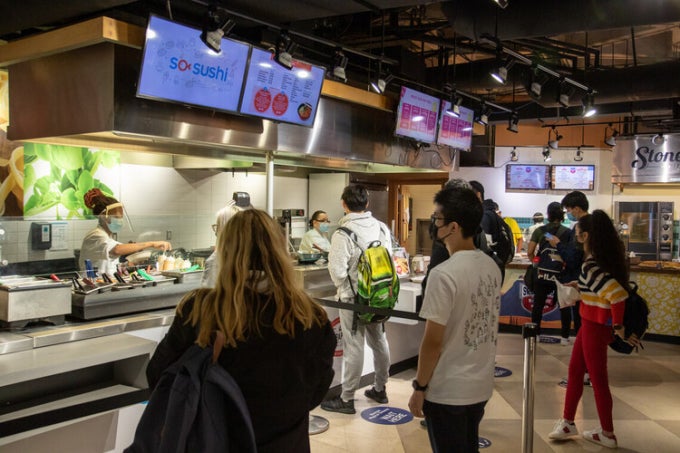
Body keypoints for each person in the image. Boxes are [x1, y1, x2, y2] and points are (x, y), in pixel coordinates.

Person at [146, 209, 336, 453]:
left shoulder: (200, 310)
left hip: (213, 441)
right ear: (279, 251)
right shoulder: (309, 316)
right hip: (287, 443)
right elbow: (316, 391)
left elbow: (158, 376)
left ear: (226, 251)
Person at [408, 185, 501, 452]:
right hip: (480, 386)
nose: (434, 224)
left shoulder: (443, 274)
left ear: (453, 227)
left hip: (448, 390)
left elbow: (433, 341)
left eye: (438, 219)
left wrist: (419, 386)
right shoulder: (491, 267)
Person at [549, 210, 640, 449]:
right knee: (575, 371)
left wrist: (618, 326)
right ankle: (568, 421)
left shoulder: (591, 265)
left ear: (586, 236)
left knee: (598, 380)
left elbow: (617, 296)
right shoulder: (602, 261)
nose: (575, 236)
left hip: (594, 326)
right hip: (593, 326)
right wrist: (580, 286)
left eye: (578, 233)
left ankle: (607, 432)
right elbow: (606, 289)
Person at [321, 184, 392, 414]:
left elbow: (338, 272)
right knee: (379, 342)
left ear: (344, 204)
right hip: (379, 297)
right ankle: (380, 388)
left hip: (352, 298)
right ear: (367, 204)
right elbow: (389, 258)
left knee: (354, 346)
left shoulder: (343, 234)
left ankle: (347, 398)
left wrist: (344, 286)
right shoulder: (381, 228)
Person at [80, 188, 171, 274]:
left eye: (121, 218)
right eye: (116, 218)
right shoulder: (95, 235)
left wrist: (128, 264)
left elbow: (109, 264)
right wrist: (152, 244)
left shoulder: (108, 237)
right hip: (92, 285)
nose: (119, 221)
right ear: (104, 218)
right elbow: (117, 250)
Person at [527, 202, 573, 344]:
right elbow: (570, 254)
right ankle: (565, 337)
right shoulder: (568, 232)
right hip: (560, 275)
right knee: (564, 305)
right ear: (562, 215)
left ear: (548, 215)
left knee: (538, 305)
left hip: (543, 273)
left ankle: (536, 335)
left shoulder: (540, 231)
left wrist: (536, 264)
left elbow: (530, 251)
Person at [201, 200, 251, 287]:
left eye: (217, 226)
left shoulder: (217, 259)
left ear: (224, 229)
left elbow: (208, 294)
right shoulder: (247, 255)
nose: (216, 232)